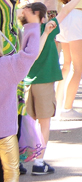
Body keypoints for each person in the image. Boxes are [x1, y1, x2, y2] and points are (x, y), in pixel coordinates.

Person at [19, 0, 82, 175]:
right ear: (43, 19)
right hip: (44, 82)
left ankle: (20, 161)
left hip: (27, 83)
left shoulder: (27, 30)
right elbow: (66, 9)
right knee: (44, 123)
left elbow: (36, 11)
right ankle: (39, 162)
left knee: (28, 123)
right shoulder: (46, 32)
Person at [0, 19, 56, 182]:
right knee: (11, 172)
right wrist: (33, 26)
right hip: (5, 132)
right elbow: (30, 54)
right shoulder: (8, 65)